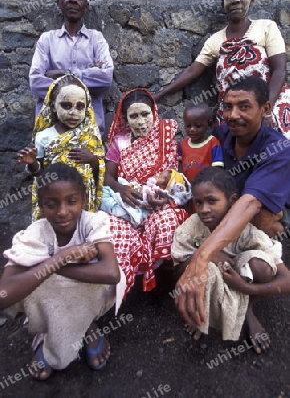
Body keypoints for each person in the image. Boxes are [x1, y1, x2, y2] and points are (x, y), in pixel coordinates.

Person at [174, 76, 290, 335]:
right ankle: (223, 301)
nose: (233, 114)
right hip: (228, 213)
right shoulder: (220, 135)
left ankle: (243, 306)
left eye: (244, 106)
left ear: (265, 109)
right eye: (227, 107)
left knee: (264, 221)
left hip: (255, 217)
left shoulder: (279, 149)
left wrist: (202, 257)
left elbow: (250, 204)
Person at [0, 163, 125, 380]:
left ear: (84, 200)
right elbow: (4, 296)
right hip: (55, 302)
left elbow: (111, 273)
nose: (62, 212)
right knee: (46, 288)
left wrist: (50, 267)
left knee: (58, 284)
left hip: (92, 297)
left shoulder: (93, 222)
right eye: (51, 204)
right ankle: (82, 331)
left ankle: (57, 347)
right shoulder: (36, 233)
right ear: (40, 206)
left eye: (72, 201)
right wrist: (62, 257)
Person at [154, 0, 290, 138]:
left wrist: (265, 109)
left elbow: (279, 70)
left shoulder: (266, 27)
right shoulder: (216, 40)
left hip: (268, 105)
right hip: (233, 112)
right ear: (223, 3)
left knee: (275, 155)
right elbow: (192, 72)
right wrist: (158, 95)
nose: (236, 0)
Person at [172, 167, 290, 352]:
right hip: (214, 283)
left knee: (261, 267)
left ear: (232, 201)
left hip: (241, 281)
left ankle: (248, 311)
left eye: (212, 201)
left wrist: (246, 288)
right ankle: (203, 318)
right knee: (198, 273)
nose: (204, 209)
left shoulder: (247, 231)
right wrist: (207, 256)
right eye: (198, 203)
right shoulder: (190, 229)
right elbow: (178, 271)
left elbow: (286, 280)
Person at [104, 88, 189, 295]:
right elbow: (107, 178)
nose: (140, 121)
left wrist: (161, 199)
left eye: (145, 114)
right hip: (126, 202)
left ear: (154, 113)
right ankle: (120, 283)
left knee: (167, 222)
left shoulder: (165, 136)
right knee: (107, 226)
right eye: (134, 116)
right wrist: (122, 189)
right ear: (125, 118)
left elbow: (172, 178)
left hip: (159, 203)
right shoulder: (120, 142)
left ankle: (163, 282)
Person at [29, 0, 113, 135]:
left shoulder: (96, 39)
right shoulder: (47, 40)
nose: (73, 0)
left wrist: (61, 74)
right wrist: (88, 74)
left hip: (89, 133)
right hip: (52, 131)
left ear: (86, 7)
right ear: (58, 1)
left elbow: (105, 78)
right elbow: (36, 82)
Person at [18, 74, 105, 221]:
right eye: (66, 105)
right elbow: (40, 175)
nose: (73, 112)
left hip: (82, 199)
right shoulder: (44, 136)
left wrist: (92, 160)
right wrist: (33, 163)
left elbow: (100, 170)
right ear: (53, 105)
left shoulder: (90, 135)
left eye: (80, 107)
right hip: (56, 200)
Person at [100, 168, 192, 227]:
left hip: (132, 210)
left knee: (106, 199)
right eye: (160, 173)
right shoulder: (150, 186)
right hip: (130, 195)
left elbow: (146, 200)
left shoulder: (155, 194)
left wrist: (144, 192)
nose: (157, 174)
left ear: (163, 188)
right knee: (118, 183)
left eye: (160, 176)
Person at [180, 102, 224, 183]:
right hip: (186, 186)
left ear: (209, 125)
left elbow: (217, 168)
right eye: (188, 126)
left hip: (205, 187)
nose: (192, 129)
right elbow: (179, 165)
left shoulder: (213, 143)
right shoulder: (183, 144)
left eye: (198, 126)